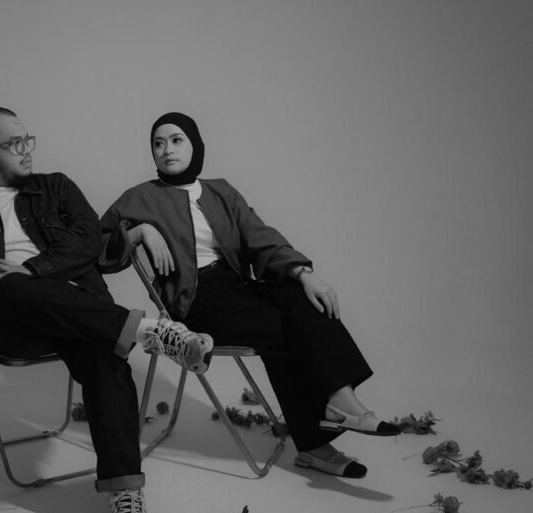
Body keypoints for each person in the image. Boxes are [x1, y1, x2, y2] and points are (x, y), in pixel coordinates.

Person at [0, 106, 215, 513]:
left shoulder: (56, 188)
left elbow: (89, 238)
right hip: (4, 324)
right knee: (7, 286)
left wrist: (32, 270)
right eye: (15, 144)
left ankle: (125, 493)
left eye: (27, 139)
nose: (27, 150)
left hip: (76, 313)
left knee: (106, 357)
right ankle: (150, 331)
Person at [100, 112, 400, 479]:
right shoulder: (139, 197)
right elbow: (96, 248)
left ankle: (339, 400)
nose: (167, 150)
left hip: (237, 287)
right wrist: (139, 232)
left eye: (177, 140)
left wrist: (304, 274)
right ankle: (319, 437)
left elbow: (258, 235)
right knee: (281, 328)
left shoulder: (221, 191)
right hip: (195, 301)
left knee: (303, 300)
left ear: (195, 145)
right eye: (158, 143)